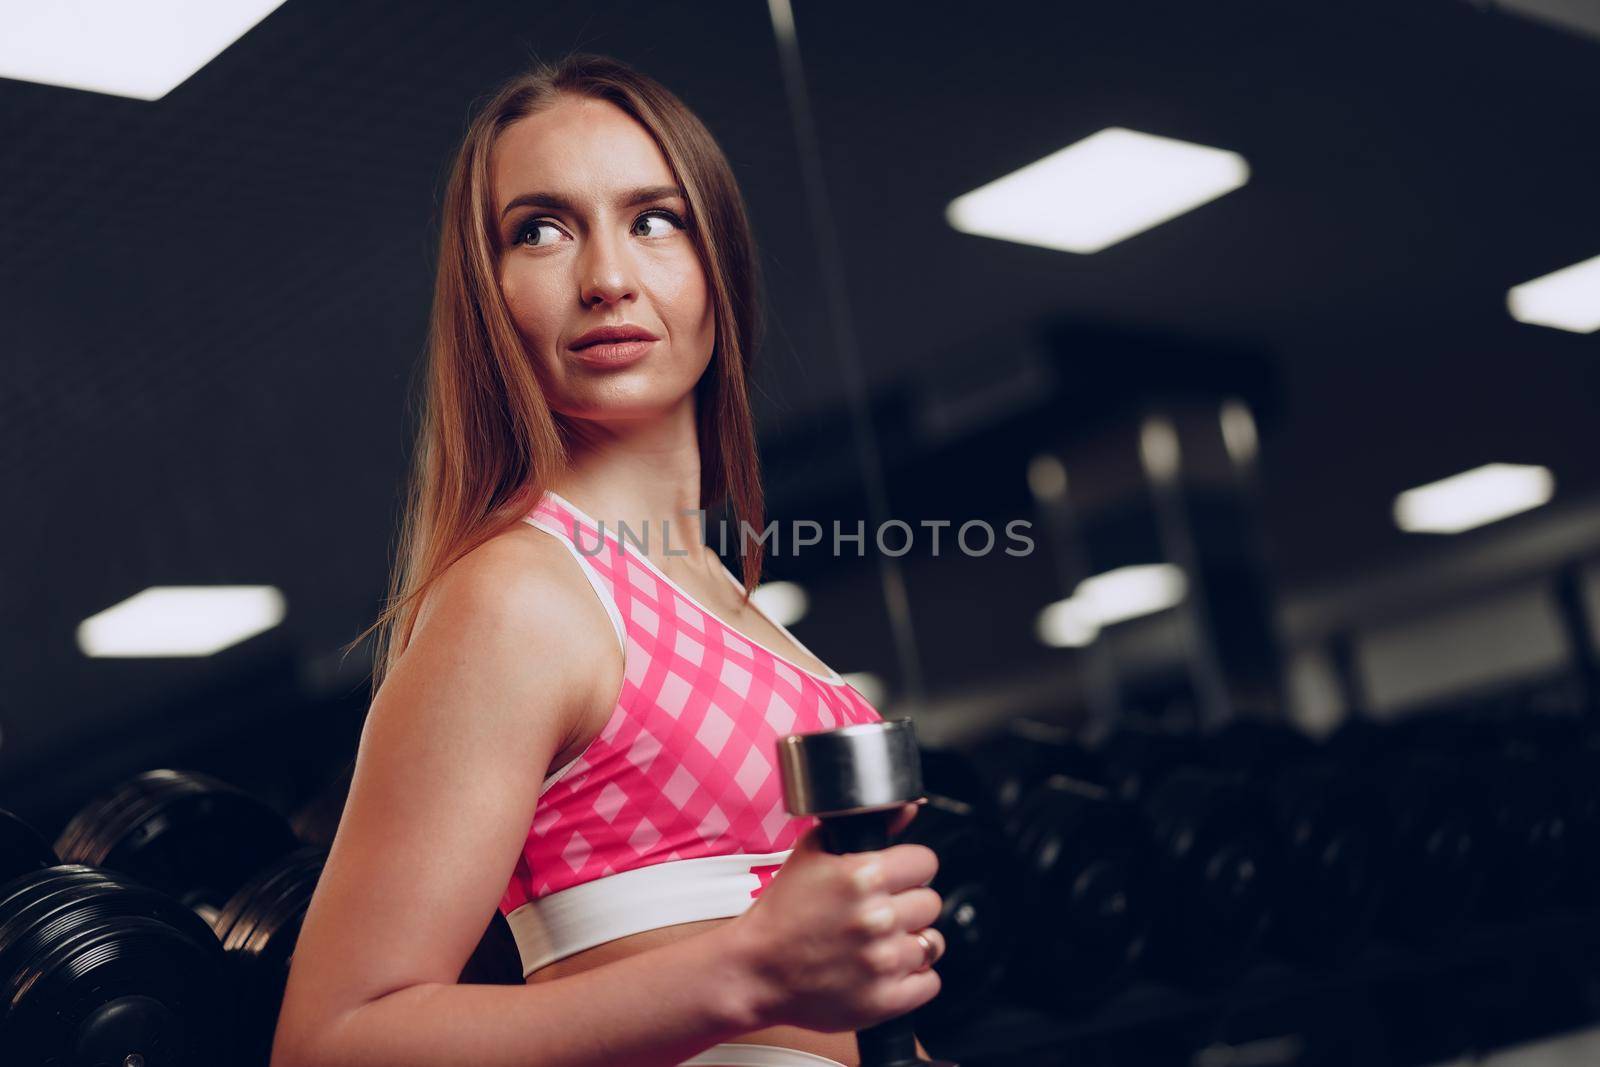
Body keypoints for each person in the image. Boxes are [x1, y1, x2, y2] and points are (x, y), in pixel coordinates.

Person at [269, 53, 946, 1067]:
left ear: (719, 265)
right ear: (487, 297)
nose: (607, 278)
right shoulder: (522, 594)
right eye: (539, 229)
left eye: (655, 218)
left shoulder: (730, 603)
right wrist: (747, 968)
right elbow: (332, 1041)